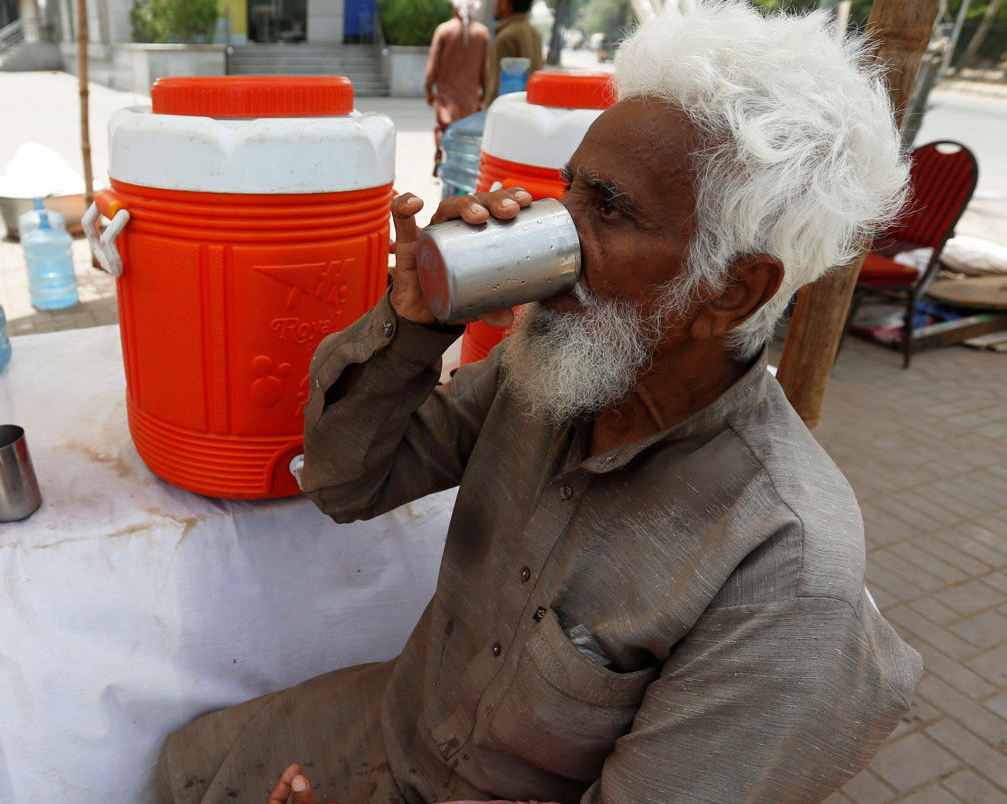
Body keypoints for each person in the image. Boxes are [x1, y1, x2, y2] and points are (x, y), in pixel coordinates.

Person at [156, 3, 922, 803]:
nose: (551, 230)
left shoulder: (784, 566)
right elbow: (345, 483)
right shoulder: (551, 377)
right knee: (186, 766)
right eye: (568, 191)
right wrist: (413, 327)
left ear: (730, 290)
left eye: (609, 209)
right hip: (398, 723)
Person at [424, 0, 491, 171]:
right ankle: (463, 164)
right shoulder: (482, 33)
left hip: (447, 97)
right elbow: (485, 70)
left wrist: (428, 89)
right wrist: (484, 92)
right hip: (470, 99)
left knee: (442, 128)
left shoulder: (444, 30)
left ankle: (440, 156)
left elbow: (432, 67)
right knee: (467, 134)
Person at [483, 0, 543, 107]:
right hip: (529, 108)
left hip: (506, 111)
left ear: (505, 4)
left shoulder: (506, 37)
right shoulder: (534, 33)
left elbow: (496, 86)